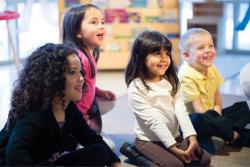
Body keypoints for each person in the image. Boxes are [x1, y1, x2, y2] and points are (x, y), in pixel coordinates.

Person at [0, 43, 121, 166]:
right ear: (52, 78)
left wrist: (115, 162)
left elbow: (91, 139)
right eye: (72, 72)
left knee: (99, 152)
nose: (81, 78)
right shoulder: (34, 112)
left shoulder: (69, 109)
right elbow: (14, 154)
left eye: (81, 72)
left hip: (43, 162)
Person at [124, 30, 211, 167]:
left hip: (175, 136)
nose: (164, 58)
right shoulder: (136, 87)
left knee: (204, 160)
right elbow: (154, 121)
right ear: (140, 57)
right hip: (148, 140)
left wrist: (191, 137)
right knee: (174, 165)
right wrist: (172, 148)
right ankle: (136, 155)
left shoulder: (171, 81)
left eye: (167, 53)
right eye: (157, 53)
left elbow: (181, 110)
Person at [178, 28, 250, 151]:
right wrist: (218, 121)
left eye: (211, 46)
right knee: (205, 119)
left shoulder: (211, 68)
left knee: (243, 107)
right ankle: (236, 136)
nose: (208, 50)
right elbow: (199, 110)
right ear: (186, 55)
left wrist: (218, 116)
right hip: (194, 121)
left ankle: (223, 132)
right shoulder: (186, 75)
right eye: (201, 48)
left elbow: (217, 96)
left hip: (212, 116)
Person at [62, 4, 116, 148]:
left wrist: (99, 92)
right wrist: (82, 121)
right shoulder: (80, 58)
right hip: (74, 115)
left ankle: (90, 130)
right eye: (94, 22)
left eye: (102, 22)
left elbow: (86, 83)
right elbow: (71, 98)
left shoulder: (89, 52)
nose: (101, 26)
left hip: (86, 106)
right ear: (77, 32)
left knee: (109, 101)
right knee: (109, 148)